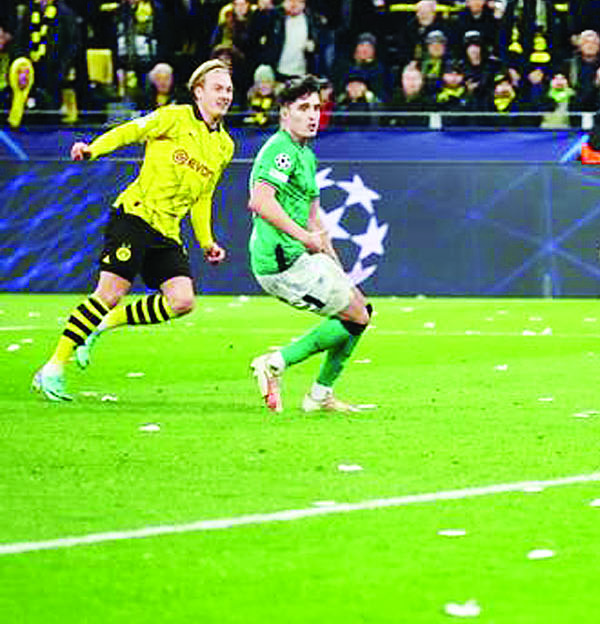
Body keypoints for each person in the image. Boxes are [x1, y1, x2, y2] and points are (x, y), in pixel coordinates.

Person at [32, 60, 235, 402]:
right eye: (218, 88)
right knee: (109, 293)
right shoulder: (174, 117)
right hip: (135, 215)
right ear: (198, 91)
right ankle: (52, 368)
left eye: (229, 89)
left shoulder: (225, 146)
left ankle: (101, 326)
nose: (225, 95)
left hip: (167, 231)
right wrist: (93, 149)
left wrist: (206, 241)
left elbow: (204, 196)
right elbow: (129, 131)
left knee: (182, 300)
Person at [247, 76, 372, 414]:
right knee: (356, 317)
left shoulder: (305, 154)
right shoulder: (280, 150)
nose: (313, 115)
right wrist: (303, 238)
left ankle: (320, 396)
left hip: (298, 258)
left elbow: (315, 218)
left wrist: (337, 268)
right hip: (280, 263)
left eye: (316, 107)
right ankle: (276, 363)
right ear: (285, 113)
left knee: (360, 311)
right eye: (303, 108)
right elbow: (260, 201)